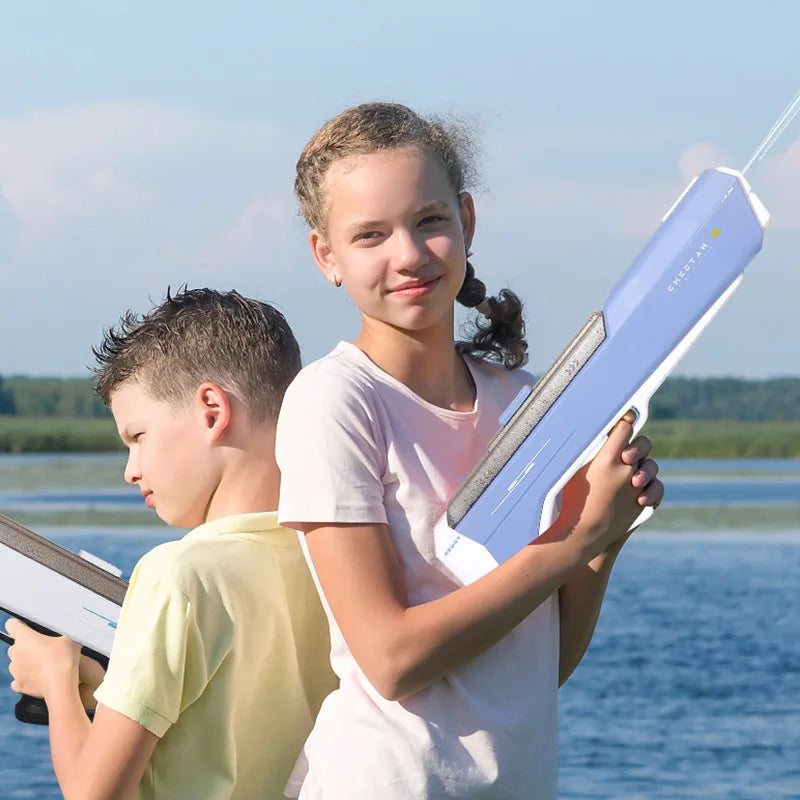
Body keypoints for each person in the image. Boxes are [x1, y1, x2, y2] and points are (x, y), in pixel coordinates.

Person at [275, 102, 665, 799]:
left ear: (467, 221)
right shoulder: (333, 401)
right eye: (370, 235)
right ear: (326, 257)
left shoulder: (528, 401)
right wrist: (577, 539)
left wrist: (608, 532)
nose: (410, 254)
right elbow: (390, 659)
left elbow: (539, 665)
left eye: (429, 221)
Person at [6, 288, 337, 800]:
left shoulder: (178, 575)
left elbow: (93, 794)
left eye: (138, 436)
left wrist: (55, 679)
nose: (130, 470)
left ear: (211, 410)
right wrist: (99, 687)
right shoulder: (340, 552)